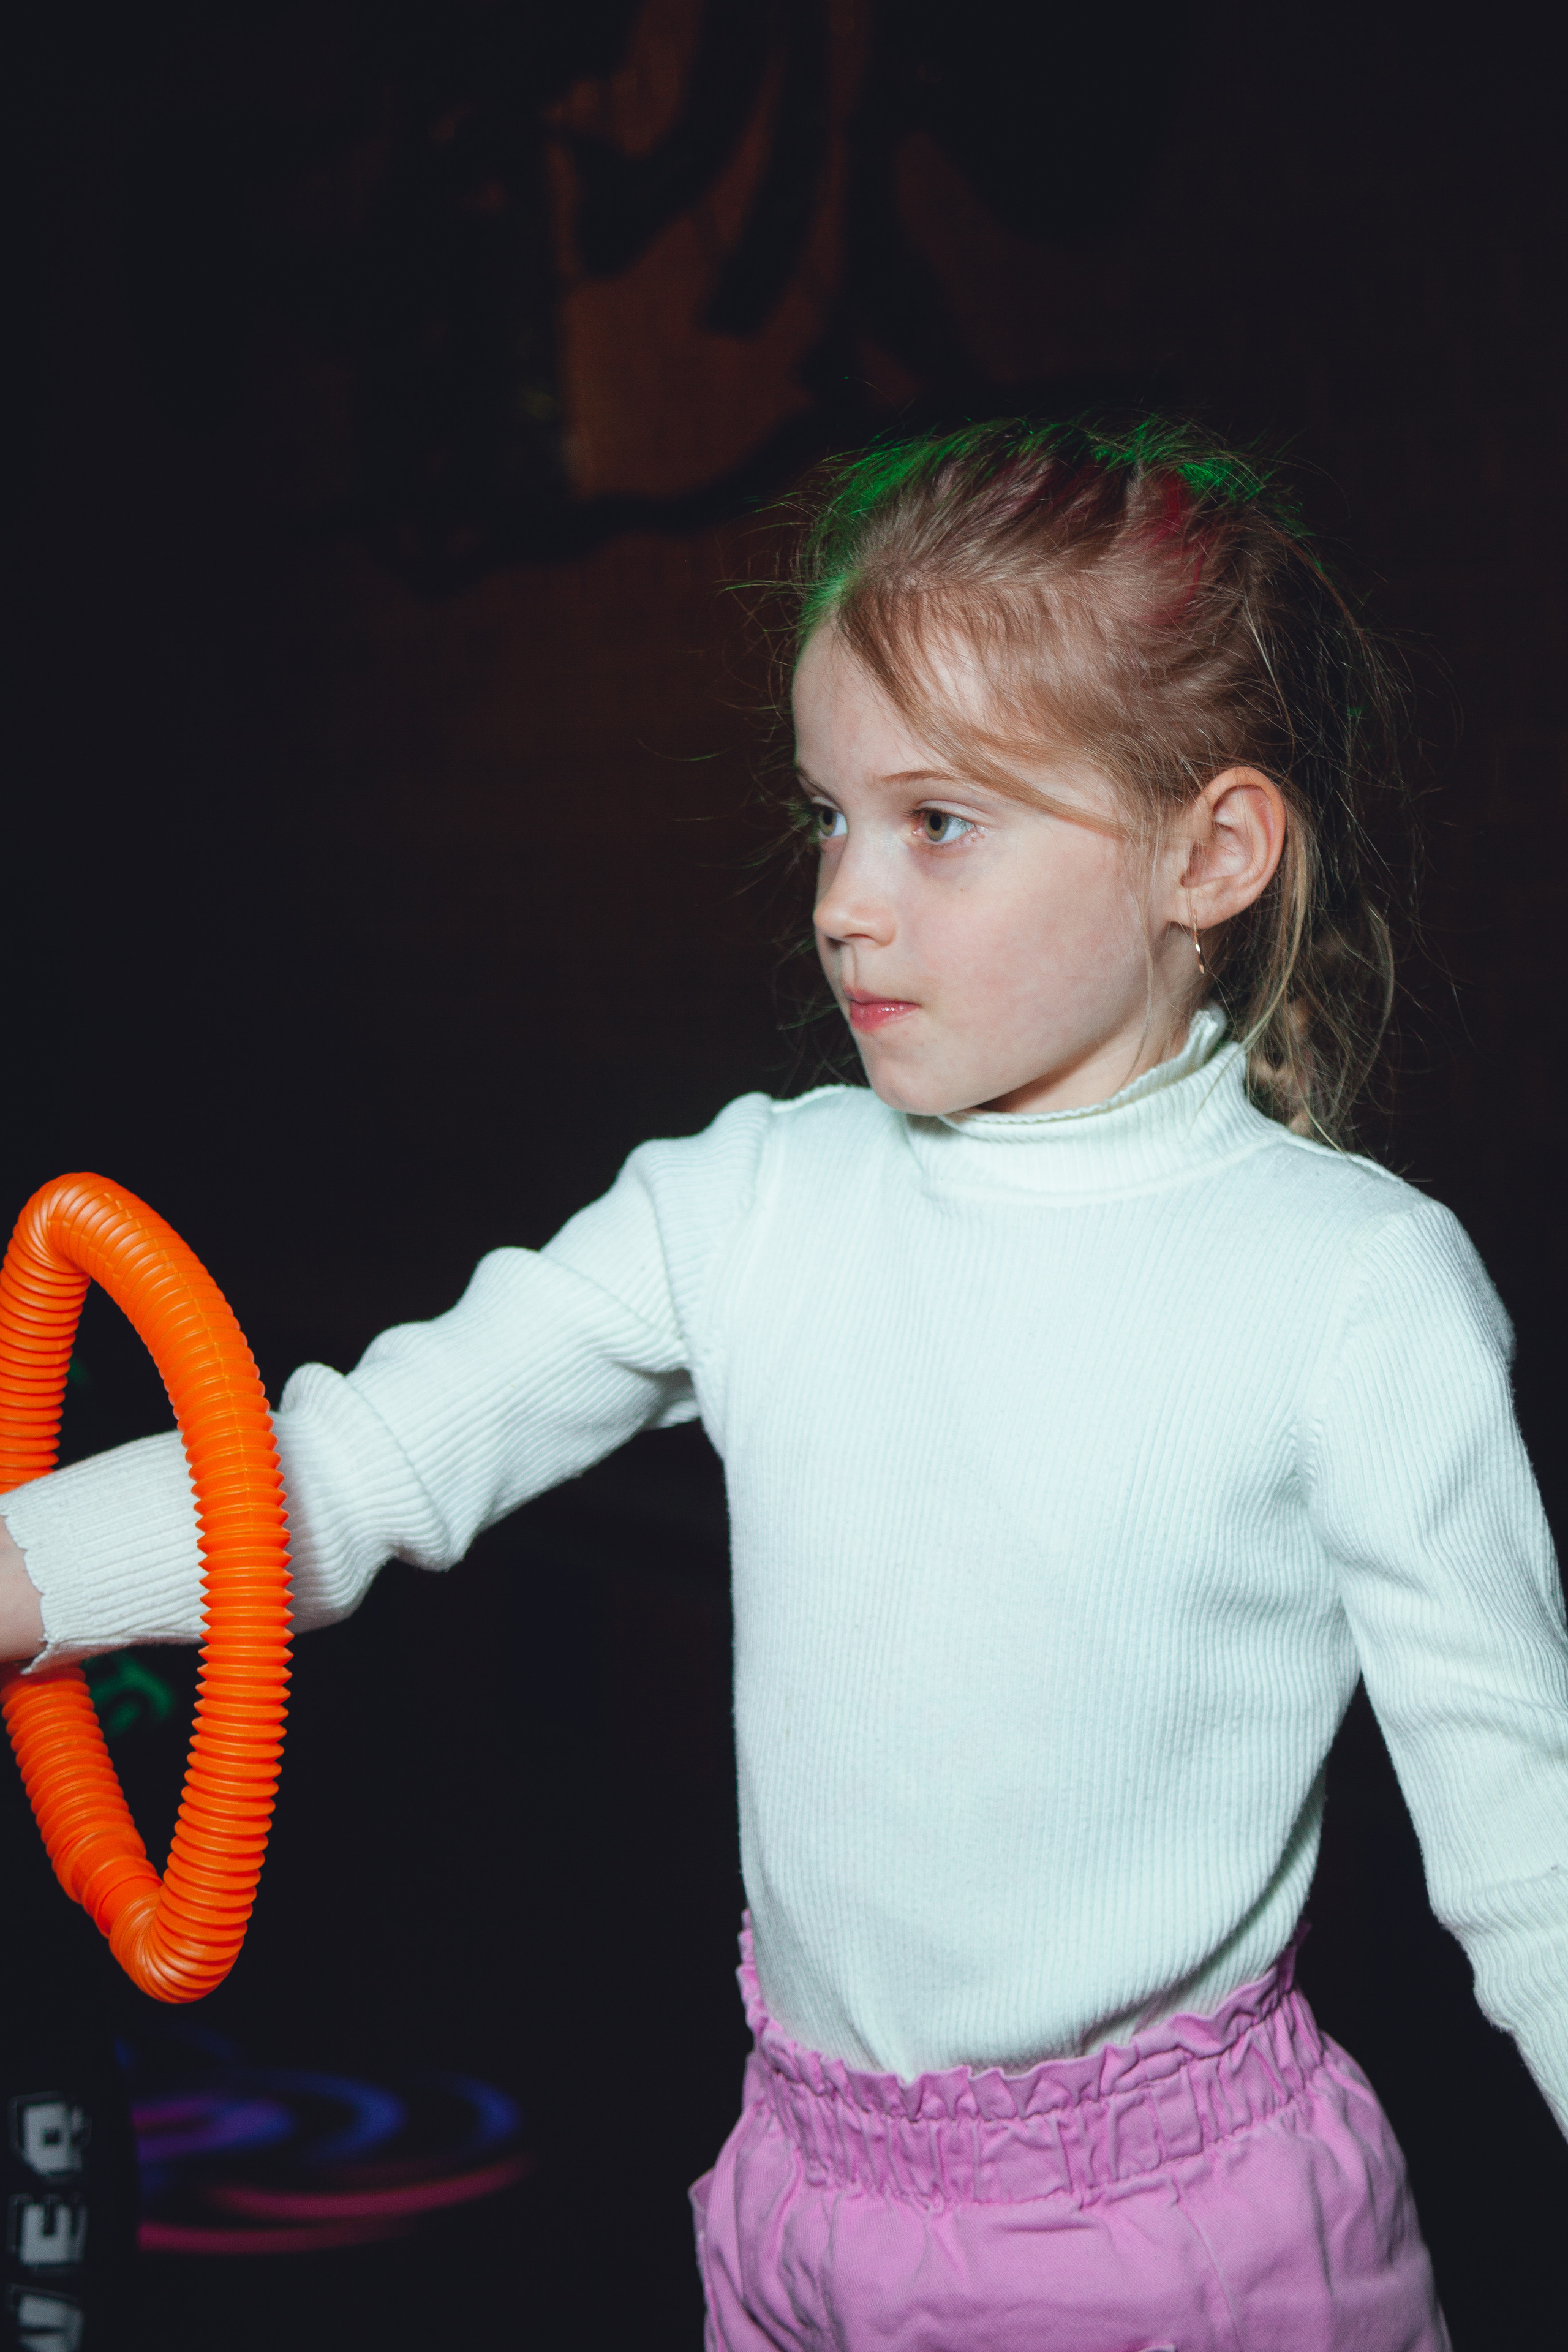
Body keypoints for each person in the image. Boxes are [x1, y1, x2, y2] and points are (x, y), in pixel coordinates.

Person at [2, 418, 1566, 2351]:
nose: (848, 900)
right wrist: (24, 1571)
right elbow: (350, 1469)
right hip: (798, 2223)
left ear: (1209, 854)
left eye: (942, 823)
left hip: (1185, 2266)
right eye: (831, 815)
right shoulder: (747, 1202)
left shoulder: (1351, 1292)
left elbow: (1536, 1862)